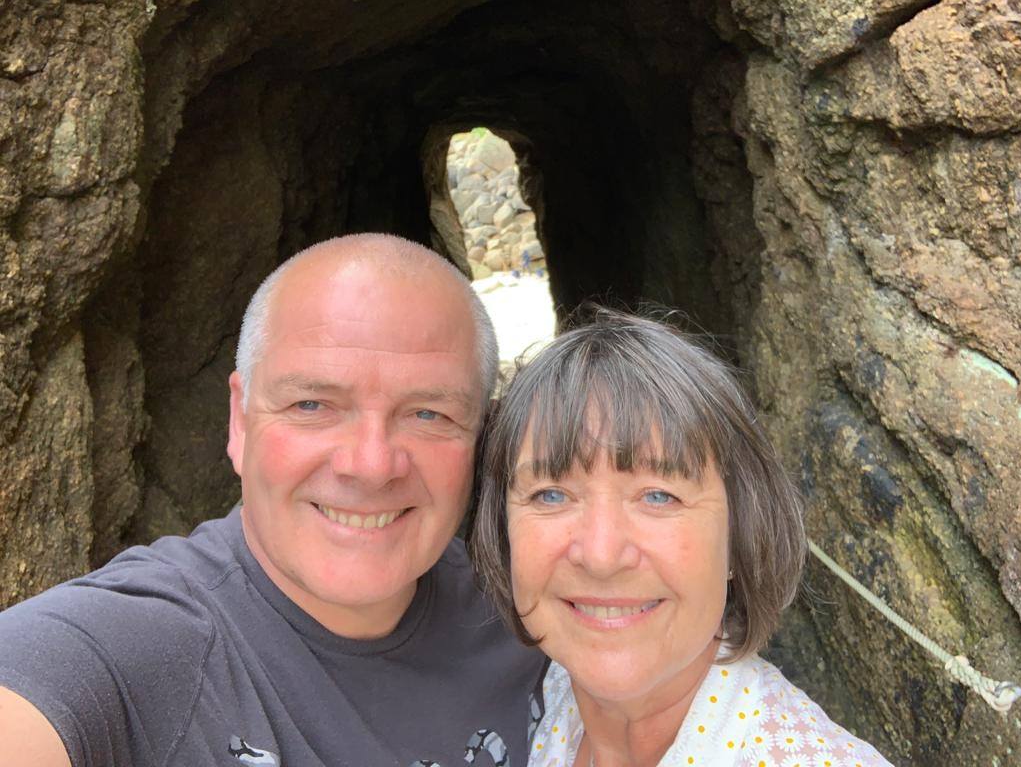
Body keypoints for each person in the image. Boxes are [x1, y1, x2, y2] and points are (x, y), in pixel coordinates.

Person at [0, 234, 546, 767]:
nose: (372, 465)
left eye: (429, 414)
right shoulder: (134, 647)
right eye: (312, 404)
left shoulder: (541, 624)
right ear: (239, 421)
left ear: (483, 434)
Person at [470, 310, 893, 767]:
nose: (601, 554)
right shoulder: (553, 691)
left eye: (659, 496)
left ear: (739, 533)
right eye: (551, 494)